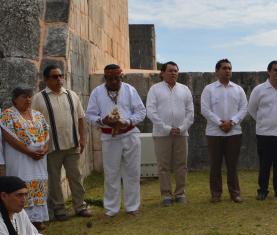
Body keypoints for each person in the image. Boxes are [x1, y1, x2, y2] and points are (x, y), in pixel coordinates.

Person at [32, 65, 92, 221]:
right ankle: (59, 209)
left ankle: (80, 206)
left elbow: (80, 117)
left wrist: (82, 138)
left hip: (72, 144)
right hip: (52, 147)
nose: (59, 79)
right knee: (54, 180)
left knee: (76, 177)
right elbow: (34, 122)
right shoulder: (39, 98)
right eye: (54, 77)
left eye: (60, 76)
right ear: (46, 80)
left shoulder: (71, 95)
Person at [85, 64, 146, 217]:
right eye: (110, 78)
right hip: (109, 137)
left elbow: (141, 111)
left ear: (121, 77)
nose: (113, 81)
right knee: (111, 173)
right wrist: (102, 120)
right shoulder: (97, 92)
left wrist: (127, 121)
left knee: (132, 172)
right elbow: (90, 115)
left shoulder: (130, 90)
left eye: (116, 78)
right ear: (105, 78)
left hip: (130, 134)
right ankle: (112, 209)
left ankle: (132, 207)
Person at [0, 87, 49, 230]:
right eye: (24, 97)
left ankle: (38, 219)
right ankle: (22, 222)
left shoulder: (38, 115)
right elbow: (9, 137)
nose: (28, 99)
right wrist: (28, 152)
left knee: (39, 184)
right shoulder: (8, 115)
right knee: (20, 184)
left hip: (39, 159)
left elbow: (46, 134)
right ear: (15, 99)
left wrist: (44, 149)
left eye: (29, 97)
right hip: (20, 157)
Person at [146, 61, 194, 206]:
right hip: (162, 134)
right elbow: (151, 111)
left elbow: (190, 112)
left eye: (176, 71)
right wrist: (167, 128)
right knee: (163, 166)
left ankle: (180, 194)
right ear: (162, 73)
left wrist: (182, 127)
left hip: (181, 133)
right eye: (170, 70)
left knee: (181, 164)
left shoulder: (184, 89)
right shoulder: (155, 89)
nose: (174, 73)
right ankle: (166, 195)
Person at [200, 59, 248, 203]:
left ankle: (235, 193)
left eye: (229, 68)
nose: (227, 71)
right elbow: (205, 109)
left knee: (232, 165)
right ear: (217, 71)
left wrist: (232, 122)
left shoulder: (238, 89)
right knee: (215, 164)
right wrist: (220, 123)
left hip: (234, 132)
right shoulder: (209, 89)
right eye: (224, 68)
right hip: (214, 132)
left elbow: (244, 108)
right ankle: (216, 193)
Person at [248, 60, 277, 200]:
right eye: (275, 70)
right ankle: (262, 191)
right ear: (268, 72)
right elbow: (252, 109)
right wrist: (264, 121)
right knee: (265, 164)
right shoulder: (259, 90)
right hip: (265, 133)